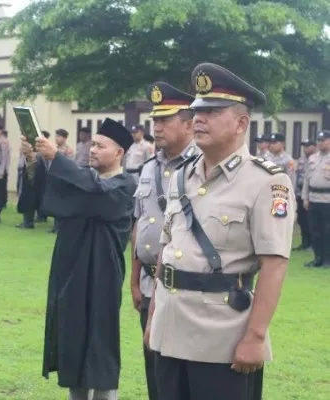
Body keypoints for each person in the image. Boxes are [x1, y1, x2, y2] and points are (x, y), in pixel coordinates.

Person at [145, 62, 295, 400]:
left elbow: (275, 265)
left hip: (222, 339)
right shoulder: (182, 176)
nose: (199, 118)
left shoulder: (266, 182)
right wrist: (154, 315)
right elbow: (167, 251)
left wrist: (255, 338)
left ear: (241, 122)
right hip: (170, 330)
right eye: (197, 111)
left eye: (212, 111)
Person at [23, 118, 135, 400]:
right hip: (71, 271)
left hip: (101, 275)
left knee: (99, 340)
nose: (93, 150)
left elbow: (94, 191)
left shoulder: (124, 185)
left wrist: (56, 157)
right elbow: (50, 196)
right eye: (93, 144)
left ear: (119, 152)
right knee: (72, 335)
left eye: (101, 145)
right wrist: (34, 161)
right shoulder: (82, 177)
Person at [131, 81, 198, 400]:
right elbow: (139, 223)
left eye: (164, 120)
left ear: (188, 123)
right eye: (154, 120)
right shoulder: (147, 168)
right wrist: (133, 281)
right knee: (155, 373)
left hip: (186, 288)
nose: (155, 127)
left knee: (183, 377)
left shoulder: (202, 166)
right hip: (148, 285)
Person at [302, 130, 330, 267]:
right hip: (313, 198)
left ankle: (327, 260)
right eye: (319, 140)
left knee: (327, 231)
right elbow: (307, 179)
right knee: (315, 230)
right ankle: (317, 258)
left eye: (323, 140)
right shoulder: (313, 158)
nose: (320, 143)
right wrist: (305, 198)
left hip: (327, 200)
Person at [293, 138, 317, 250]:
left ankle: (313, 243)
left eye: (308, 146)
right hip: (299, 193)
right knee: (301, 219)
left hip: (312, 194)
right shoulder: (301, 160)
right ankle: (305, 242)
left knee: (311, 220)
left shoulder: (317, 159)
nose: (305, 149)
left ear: (314, 147)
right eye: (304, 146)